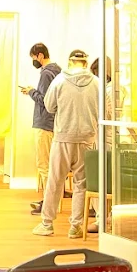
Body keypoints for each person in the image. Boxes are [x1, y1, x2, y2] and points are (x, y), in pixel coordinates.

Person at [32, 49, 99, 239]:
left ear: (70, 62)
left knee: (55, 180)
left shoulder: (59, 81)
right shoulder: (96, 83)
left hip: (62, 137)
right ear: (86, 63)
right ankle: (75, 226)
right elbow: (104, 110)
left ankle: (47, 224)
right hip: (87, 139)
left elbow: (49, 105)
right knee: (81, 184)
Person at [19, 43, 60, 214]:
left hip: (43, 122)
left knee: (44, 165)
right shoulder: (58, 71)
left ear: (40, 55)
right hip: (54, 123)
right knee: (51, 164)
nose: (34, 61)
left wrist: (30, 91)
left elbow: (44, 100)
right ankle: (49, 200)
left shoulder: (46, 74)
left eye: (34, 58)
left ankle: (49, 204)